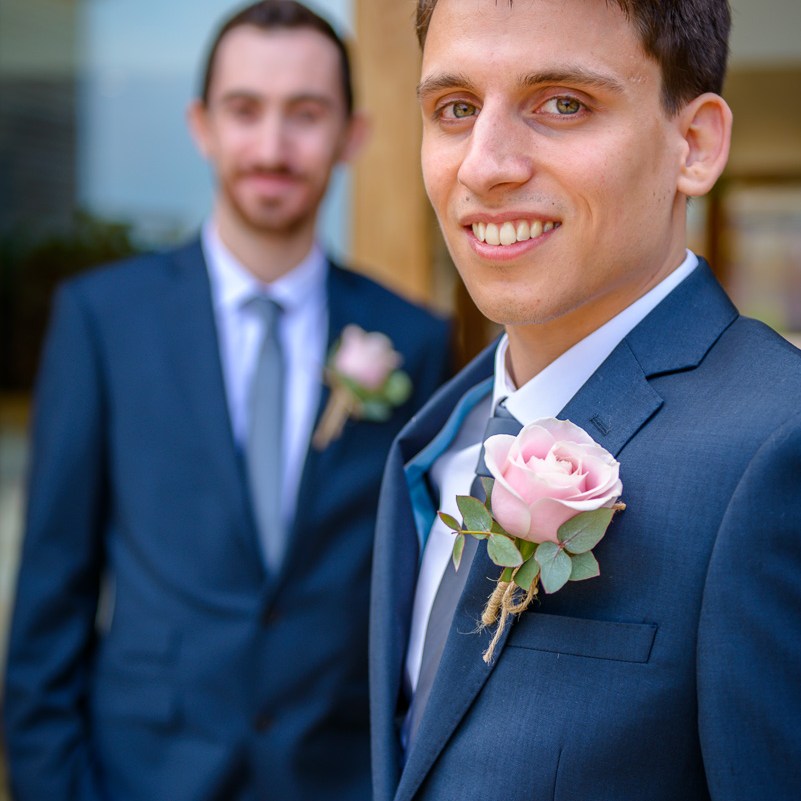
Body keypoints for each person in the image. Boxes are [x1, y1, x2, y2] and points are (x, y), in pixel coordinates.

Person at [3, 2, 451, 800]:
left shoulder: (413, 340)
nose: (271, 148)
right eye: (244, 110)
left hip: (338, 778)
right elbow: (51, 595)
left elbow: (420, 601)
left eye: (304, 114)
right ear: (201, 126)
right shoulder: (102, 321)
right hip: (141, 776)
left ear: (352, 135)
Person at [369, 1, 801, 799]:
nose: (484, 166)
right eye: (456, 109)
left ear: (694, 144)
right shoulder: (440, 436)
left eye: (562, 103)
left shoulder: (778, 445)